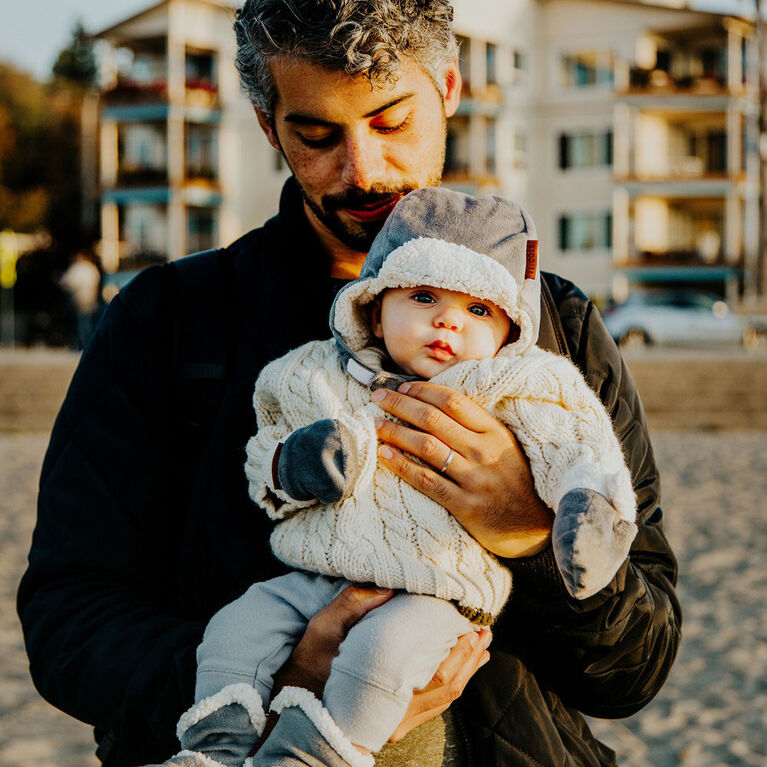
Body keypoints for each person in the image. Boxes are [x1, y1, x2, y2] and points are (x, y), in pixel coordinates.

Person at [17, 1, 681, 766]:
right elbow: (68, 616)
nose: (362, 169)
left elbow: (636, 667)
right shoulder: (165, 321)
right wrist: (270, 679)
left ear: (450, 88)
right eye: (317, 135)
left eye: (391, 120)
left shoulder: (556, 324)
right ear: (269, 128)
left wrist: (527, 530)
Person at [163, 188, 640, 767]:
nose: (447, 320)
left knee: (382, 653)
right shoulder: (315, 372)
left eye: (479, 310)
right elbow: (265, 451)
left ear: (511, 330)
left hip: (439, 588)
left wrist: (583, 510)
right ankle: (216, 745)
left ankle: (316, 756)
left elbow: (579, 444)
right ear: (373, 305)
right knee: (237, 627)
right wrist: (296, 463)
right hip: (320, 573)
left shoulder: (521, 385)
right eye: (422, 295)